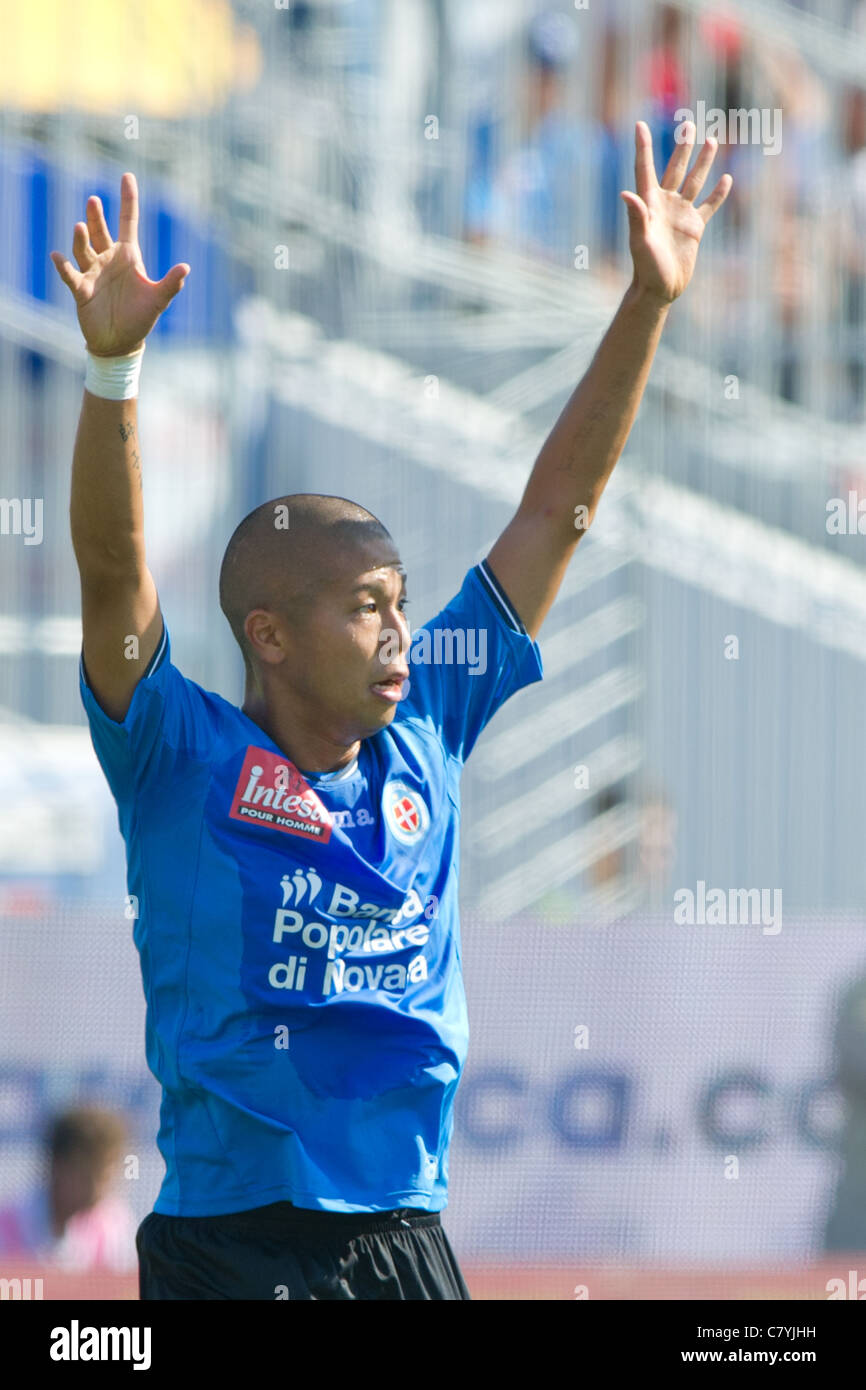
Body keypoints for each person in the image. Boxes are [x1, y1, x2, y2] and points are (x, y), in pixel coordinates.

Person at [49, 122, 730, 1300]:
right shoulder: (176, 753)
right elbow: (113, 570)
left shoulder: (431, 720)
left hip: (405, 1242)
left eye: (402, 602)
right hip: (227, 1246)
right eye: (367, 606)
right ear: (269, 633)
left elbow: (556, 504)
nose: (400, 634)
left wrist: (647, 304)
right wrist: (113, 373)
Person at [0, 1107, 136, 1272]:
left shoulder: (114, 1224)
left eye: (106, 1176)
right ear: (58, 1165)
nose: (100, 1189)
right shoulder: (7, 1224)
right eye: (89, 1175)